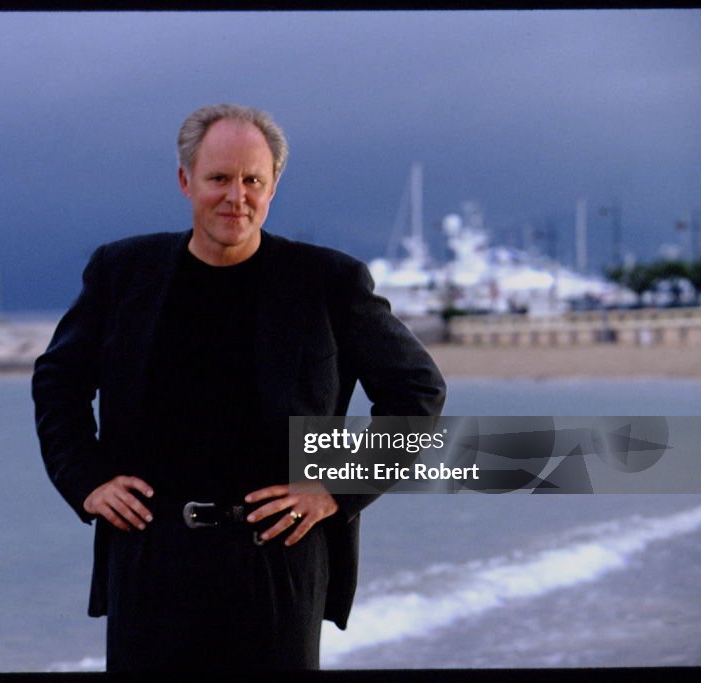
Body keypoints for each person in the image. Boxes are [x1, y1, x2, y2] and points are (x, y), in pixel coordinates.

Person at [32, 103, 446, 671]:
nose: (237, 196)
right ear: (185, 181)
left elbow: (418, 394)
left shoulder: (327, 280)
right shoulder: (123, 272)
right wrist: (87, 479)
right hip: (150, 557)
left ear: (274, 185)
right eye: (219, 178)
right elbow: (58, 379)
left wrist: (334, 489)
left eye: (253, 180)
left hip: (277, 563)